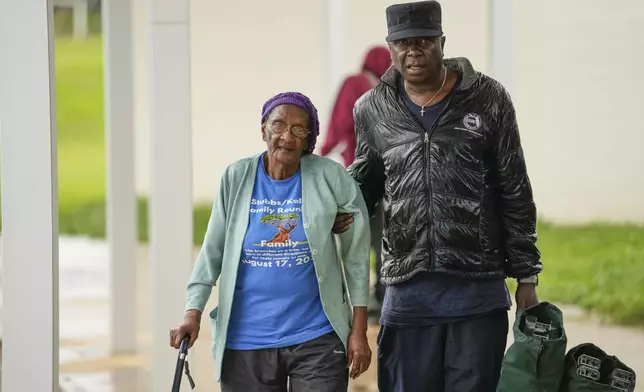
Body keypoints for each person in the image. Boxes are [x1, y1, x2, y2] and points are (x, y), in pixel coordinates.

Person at [333, 1, 543, 391]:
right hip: (407, 291)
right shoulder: (372, 108)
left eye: (424, 42)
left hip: (477, 290)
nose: (413, 51)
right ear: (390, 46)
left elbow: (514, 188)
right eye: (403, 43)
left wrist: (526, 277)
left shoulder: (489, 99)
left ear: (442, 42)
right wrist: (332, 204)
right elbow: (366, 181)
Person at [169, 92, 372, 392]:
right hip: (246, 341)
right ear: (263, 128)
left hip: (316, 336)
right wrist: (192, 312)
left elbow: (356, 258)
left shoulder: (330, 178)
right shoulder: (236, 177)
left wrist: (359, 329)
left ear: (309, 138)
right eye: (278, 125)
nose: (286, 137)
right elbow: (212, 252)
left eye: (298, 129)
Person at [319, 45, 392, 320]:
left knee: (363, 234)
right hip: (385, 174)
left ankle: (365, 296)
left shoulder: (360, 84)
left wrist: (324, 150)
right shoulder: (384, 88)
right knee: (382, 235)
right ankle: (381, 291)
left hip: (363, 172)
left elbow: (339, 121)